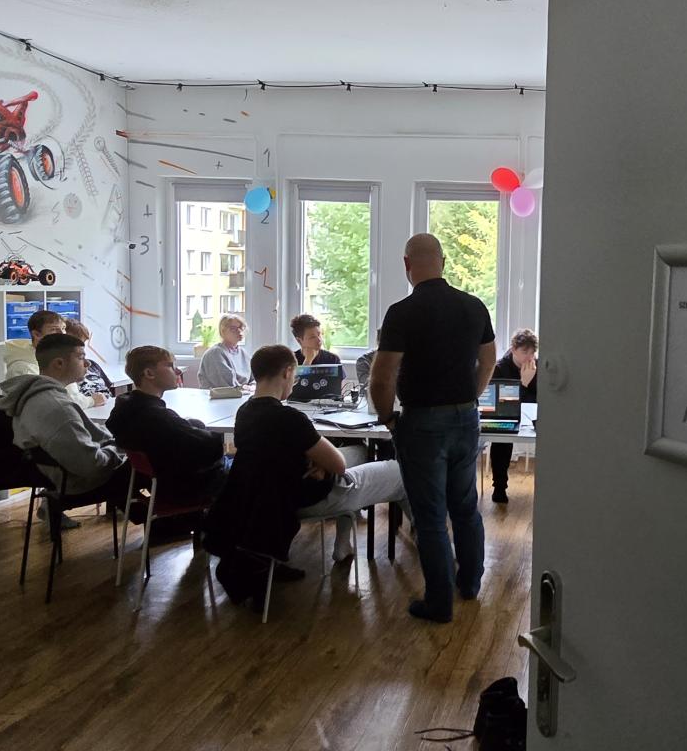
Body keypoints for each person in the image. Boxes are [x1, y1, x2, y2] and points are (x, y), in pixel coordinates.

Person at [204, 345, 408, 605]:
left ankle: (343, 543)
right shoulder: (289, 418)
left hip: (268, 500)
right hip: (304, 497)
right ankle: (429, 546)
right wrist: (321, 462)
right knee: (400, 470)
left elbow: (282, 453)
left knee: (358, 450)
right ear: (288, 372)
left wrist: (315, 460)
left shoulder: (245, 413)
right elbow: (338, 465)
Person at [369, 233, 497, 624]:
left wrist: (388, 418)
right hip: (466, 419)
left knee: (430, 517)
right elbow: (488, 361)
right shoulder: (474, 306)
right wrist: (470, 396)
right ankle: (470, 584)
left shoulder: (402, 312)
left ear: (407, 265)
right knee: (465, 508)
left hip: (422, 423)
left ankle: (439, 603)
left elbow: (382, 376)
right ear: (443, 262)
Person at [0, 333, 131, 526]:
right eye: (81, 357)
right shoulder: (57, 406)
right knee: (151, 464)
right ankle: (158, 527)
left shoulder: (33, 394)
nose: (87, 363)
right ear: (59, 363)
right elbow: (92, 465)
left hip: (55, 476)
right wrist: (119, 449)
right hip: (76, 482)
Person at [0, 323, 73, 524]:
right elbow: (9, 419)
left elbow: (7, 412)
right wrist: (3, 424)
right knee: (69, 456)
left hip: (8, 454)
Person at [105, 345, 230, 504]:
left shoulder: (126, 407)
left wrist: (191, 426)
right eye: (170, 366)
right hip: (186, 485)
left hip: (160, 481)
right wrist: (202, 431)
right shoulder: (157, 417)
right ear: (149, 373)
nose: (177, 371)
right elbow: (212, 447)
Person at [487, 329, 538, 503]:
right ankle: (499, 487)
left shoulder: (536, 366)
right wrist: (524, 383)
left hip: (532, 415)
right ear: (514, 349)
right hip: (505, 415)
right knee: (502, 441)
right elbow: (503, 405)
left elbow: (538, 398)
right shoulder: (500, 368)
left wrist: (527, 385)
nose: (529, 357)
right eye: (525, 352)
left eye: (532, 352)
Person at [63, 319, 117, 406]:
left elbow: (109, 391)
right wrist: (92, 401)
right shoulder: (61, 371)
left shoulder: (92, 365)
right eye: (75, 343)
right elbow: (71, 402)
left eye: (82, 343)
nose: (80, 348)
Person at [2, 309, 67, 379]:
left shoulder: (54, 354)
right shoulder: (23, 369)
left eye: (63, 328)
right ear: (36, 334)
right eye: (54, 329)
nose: (62, 333)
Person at [197, 313, 252, 388]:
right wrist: (247, 389)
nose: (239, 331)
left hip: (244, 393)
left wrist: (253, 387)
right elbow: (226, 385)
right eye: (233, 328)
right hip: (222, 395)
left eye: (241, 327)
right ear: (223, 331)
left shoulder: (243, 353)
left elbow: (255, 377)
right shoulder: (215, 353)